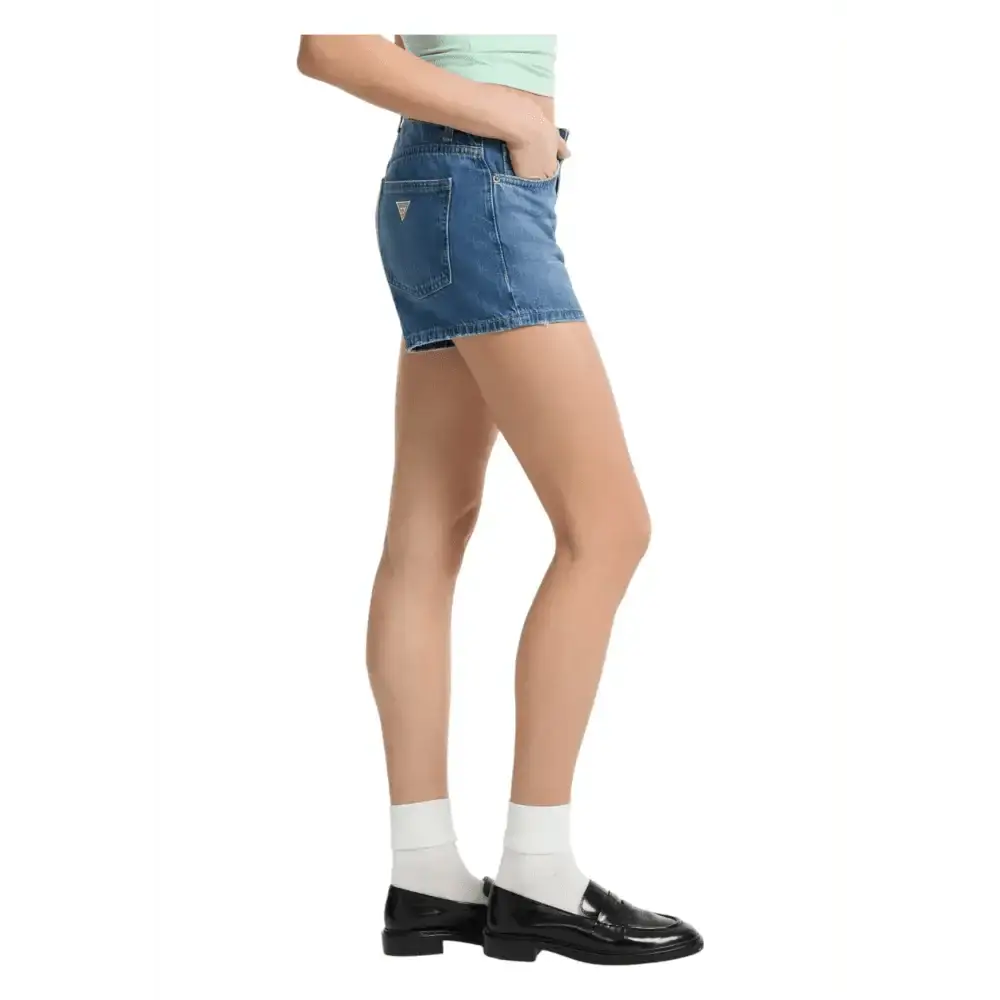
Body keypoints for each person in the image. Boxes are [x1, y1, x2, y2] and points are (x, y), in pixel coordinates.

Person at [297, 33, 704, 965]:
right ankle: (538, 873)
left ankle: (425, 875)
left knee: (428, 533)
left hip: (446, 183)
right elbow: (328, 44)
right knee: (608, 530)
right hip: (476, 181)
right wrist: (514, 118)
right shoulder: (491, 133)